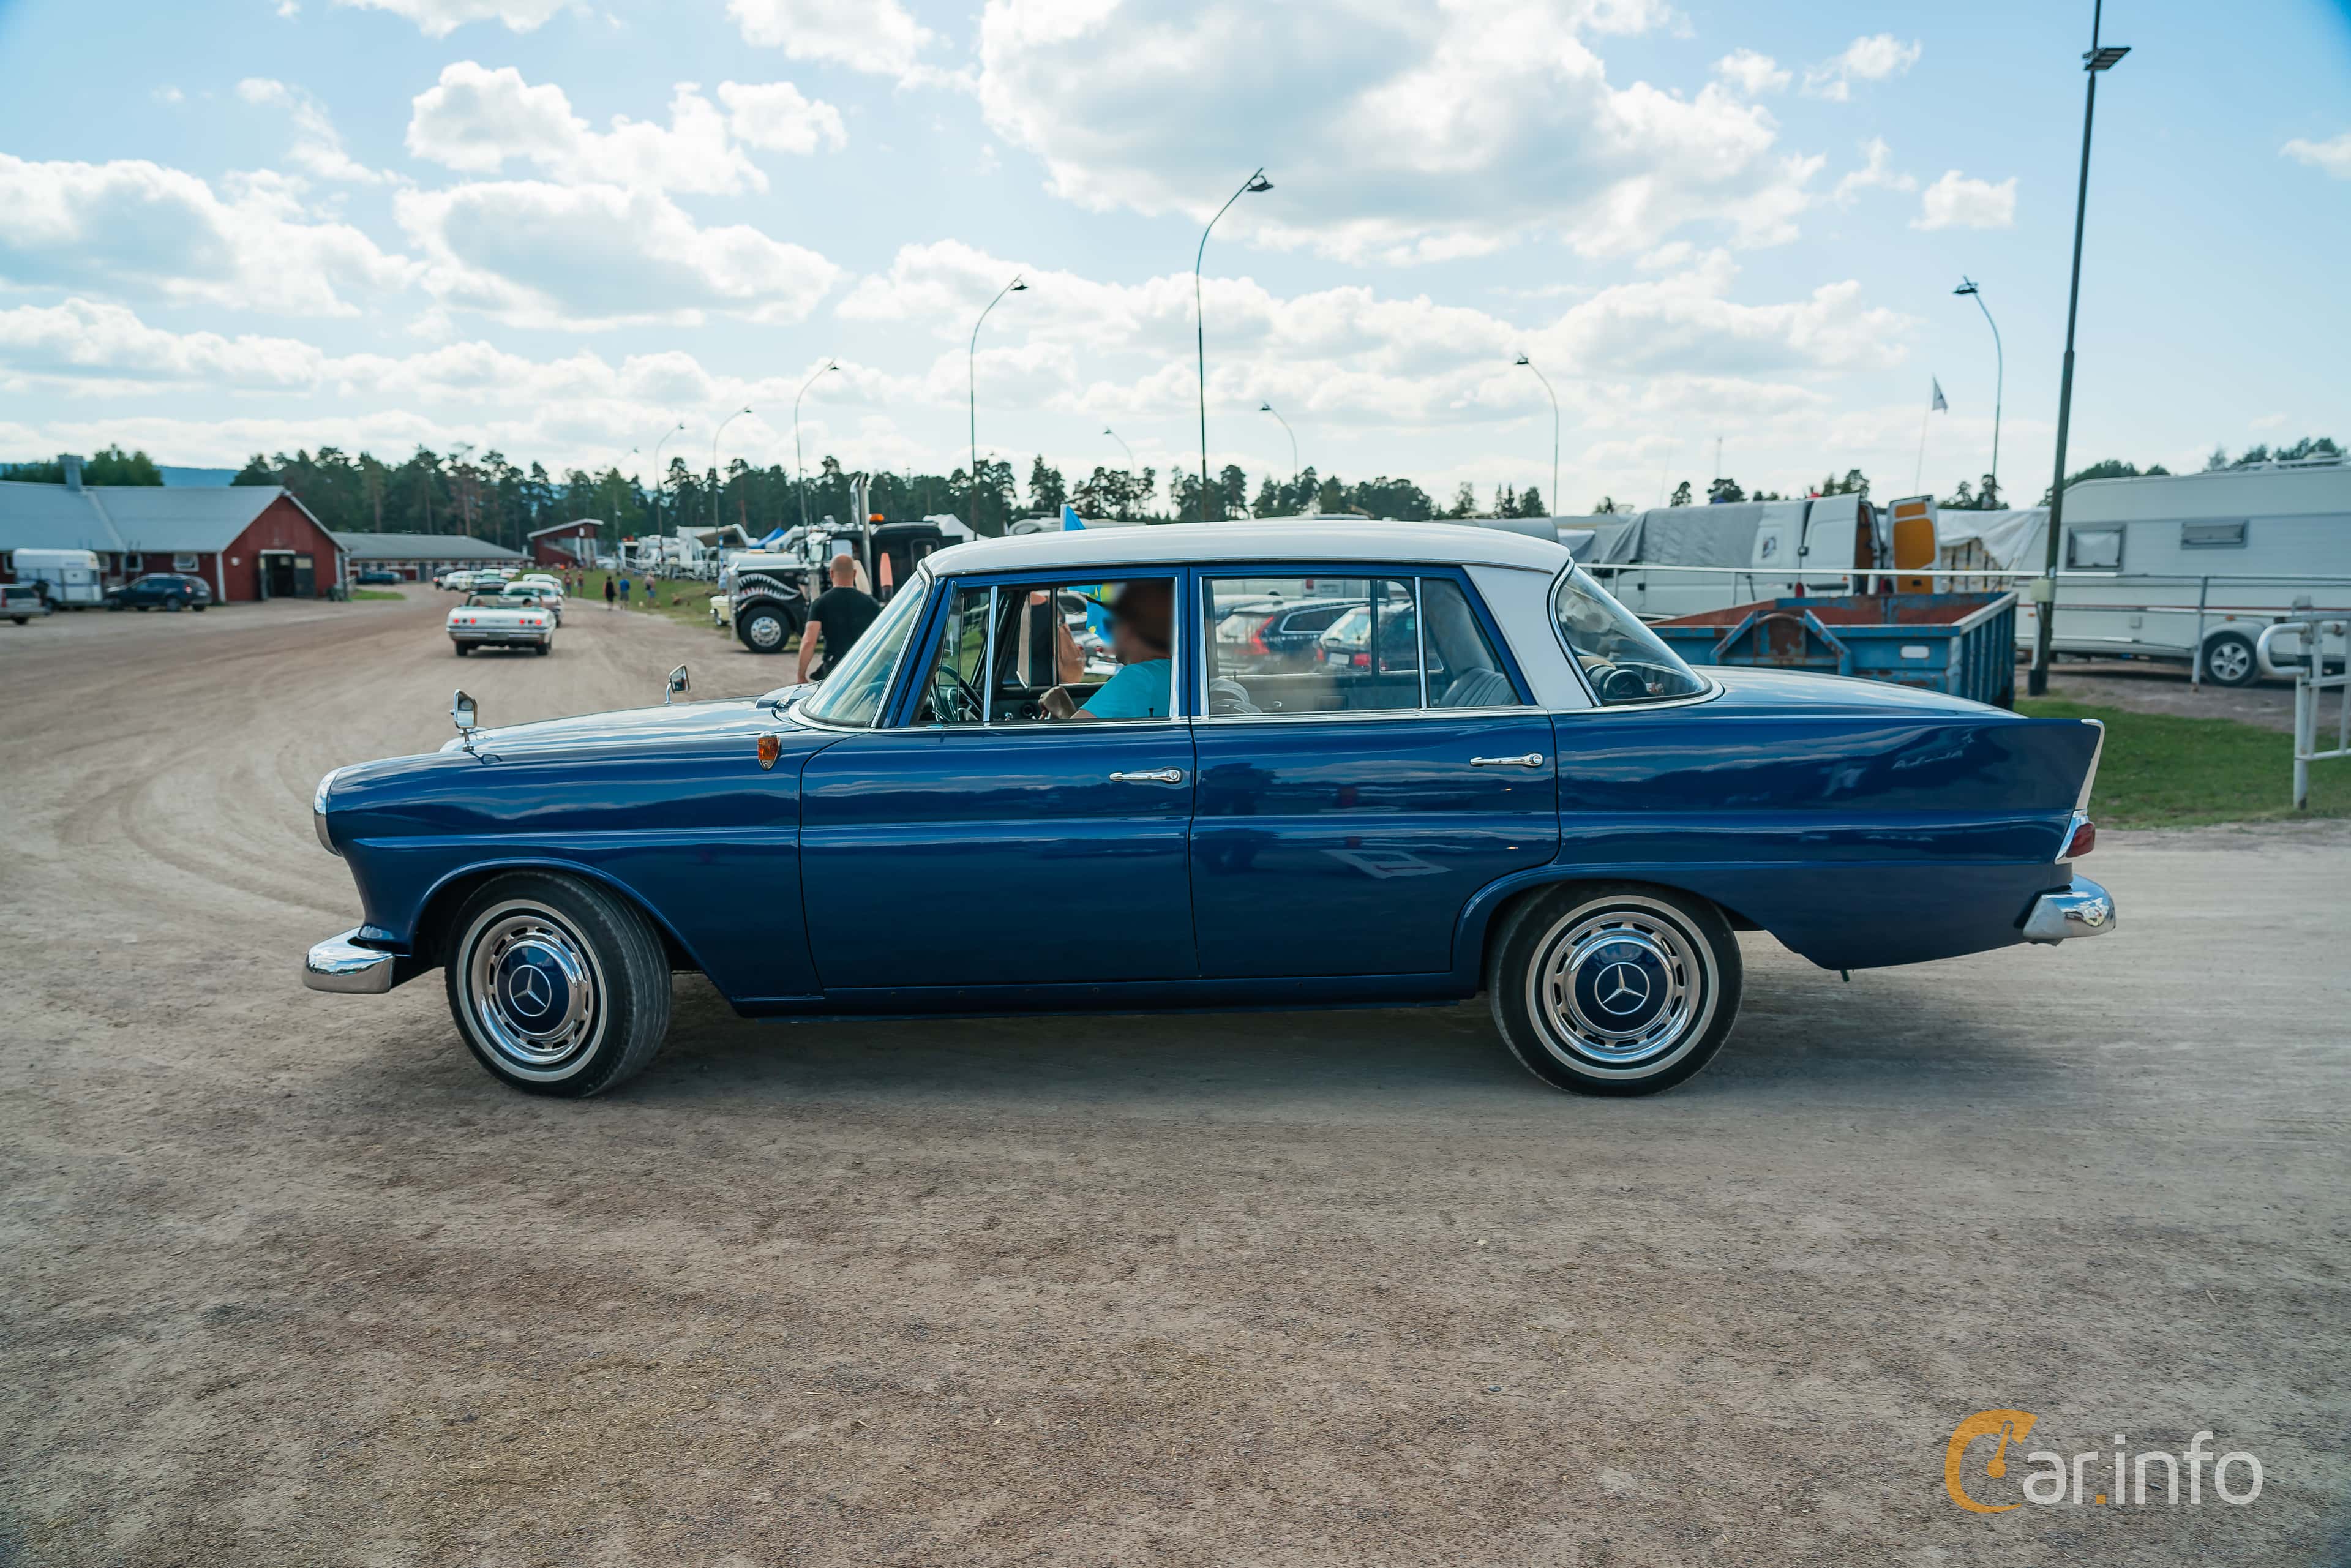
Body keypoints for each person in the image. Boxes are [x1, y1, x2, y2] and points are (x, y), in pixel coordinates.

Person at [1040, 579, 1172, 720]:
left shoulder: (1139, 678)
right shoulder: (1174, 672)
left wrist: (1061, 706)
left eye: (1109, 624)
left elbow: (1076, 732)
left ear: (1128, 627)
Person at [797, 555, 882, 683]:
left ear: (831, 573)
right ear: (855, 573)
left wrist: (801, 675)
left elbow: (809, 641)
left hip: (835, 667)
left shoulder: (821, 603)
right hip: (865, 667)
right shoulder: (872, 603)